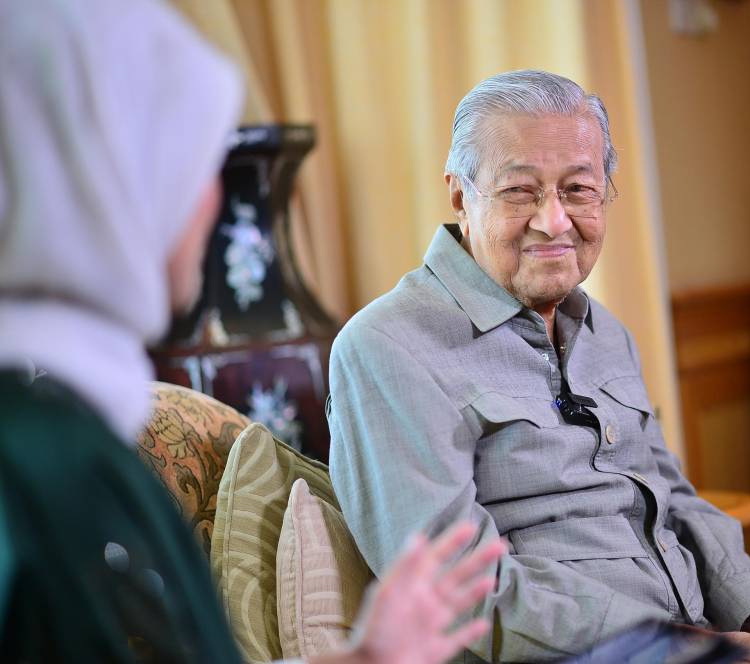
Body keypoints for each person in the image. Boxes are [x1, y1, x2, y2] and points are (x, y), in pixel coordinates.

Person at [326, 69, 750, 663]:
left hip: (704, 632)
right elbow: (459, 601)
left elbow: (675, 501)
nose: (554, 220)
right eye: (521, 191)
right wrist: (700, 650)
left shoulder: (605, 332)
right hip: (594, 653)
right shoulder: (388, 348)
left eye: (579, 189)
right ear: (459, 194)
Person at [0, 1, 504, 663]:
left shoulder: (69, 422)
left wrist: (364, 657)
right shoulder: (37, 464)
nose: (209, 200)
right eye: (189, 163)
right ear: (103, 179)